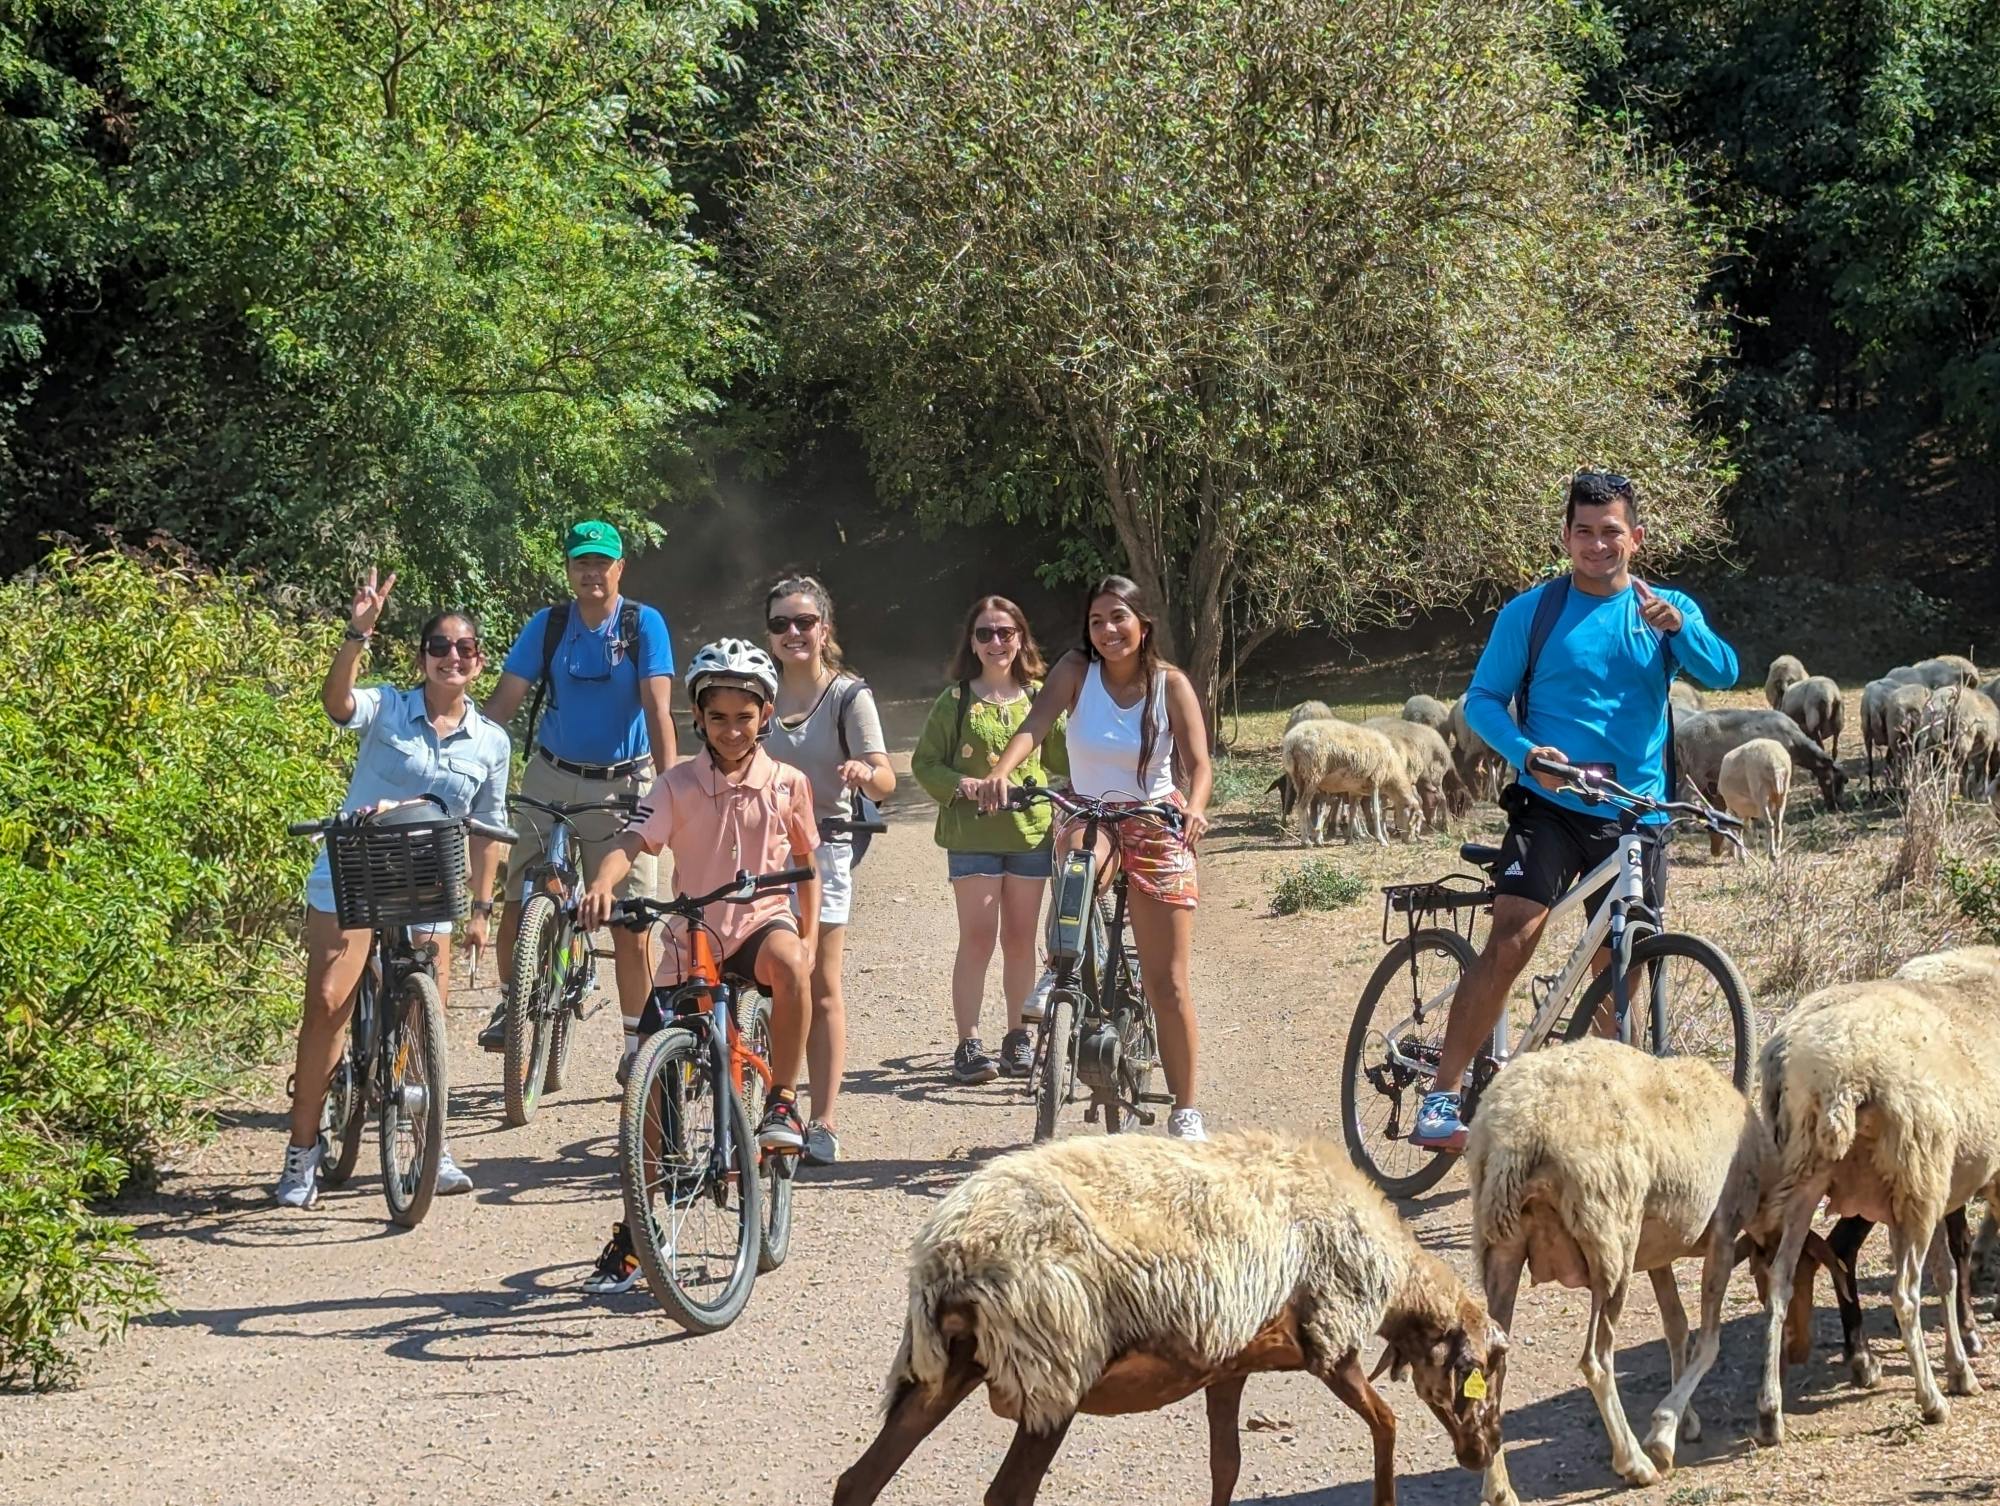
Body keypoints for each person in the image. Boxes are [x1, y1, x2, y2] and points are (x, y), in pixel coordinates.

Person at [1411, 471, 1741, 1151]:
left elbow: (1725, 672)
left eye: (1611, 532)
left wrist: (1680, 630)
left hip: (1636, 814)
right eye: (1584, 532)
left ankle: (1614, 1112)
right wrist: (1527, 753)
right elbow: (1481, 702)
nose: (1598, 545)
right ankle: (1440, 1097)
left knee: (1623, 963)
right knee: (1513, 938)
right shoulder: (1530, 613)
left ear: (1636, 537)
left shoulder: (1664, 608)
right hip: (1551, 803)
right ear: (1565, 536)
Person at [574, 638, 818, 1294]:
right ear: (698, 719)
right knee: (648, 1086)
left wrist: (811, 936)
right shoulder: (677, 782)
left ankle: (786, 1103)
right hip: (692, 935)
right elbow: (633, 841)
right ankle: (638, 1226)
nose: (732, 729)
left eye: (745, 716)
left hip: (760, 924)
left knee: (792, 966)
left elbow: (808, 862)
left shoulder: (787, 783)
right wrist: (604, 881)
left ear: (765, 716)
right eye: (718, 717)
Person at [276, 570, 512, 1207]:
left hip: (430, 879)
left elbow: (490, 831)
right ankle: (302, 1154)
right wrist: (359, 631)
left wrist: (483, 910)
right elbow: (337, 704)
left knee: (422, 1012)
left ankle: (432, 1144)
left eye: (464, 648)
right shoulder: (387, 705)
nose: (452, 657)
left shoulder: (492, 741)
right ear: (421, 658)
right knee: (329, 1002)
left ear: (479, 660)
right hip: (354, 867)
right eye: (440, 647)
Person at [974, 575, 1214, 1141]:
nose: (1107, 630)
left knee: (1168, 982)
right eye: (1097, 621)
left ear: (1143, 623)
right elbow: (1034, 725)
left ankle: (1186, 1109)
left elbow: (1200, 764)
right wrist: (1001, 773)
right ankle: (1063, 967)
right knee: (1081, 857)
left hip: (1157, 817)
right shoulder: (1075, 673)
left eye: (1118, 618)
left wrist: (1196, 810)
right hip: (1090, 809)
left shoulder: (1170, 685)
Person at [477, 521, 678, 1084]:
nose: (590, 572)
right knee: (519, 897)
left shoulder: (643, 625)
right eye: (579, 563)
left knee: (628, 919)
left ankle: (637, 1041)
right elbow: (504, 702)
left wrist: (672, 792)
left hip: (622, 783)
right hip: (549, 773)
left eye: (601, 562)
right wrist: (459, 759)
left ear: (619, 568)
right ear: (567, 569)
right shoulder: (549, 625)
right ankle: (513, 1001)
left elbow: (659, 712)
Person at [763, 575, 896, 1166]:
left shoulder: (848, 697)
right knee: (757, 977)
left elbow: (887, 779)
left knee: (819, 983)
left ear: (825, 630)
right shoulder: (754, 690)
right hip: (757, 848)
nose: (793, 633)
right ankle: (768, 1102)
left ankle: (823, 1118)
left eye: (804, 623)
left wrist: (866, 775)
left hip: (823, 851)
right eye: (781, 624)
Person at [910, 596, 1069, 1084]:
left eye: (1005, 632)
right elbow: (924, 764)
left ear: (1020, 637)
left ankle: (1017, 1037)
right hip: (971, 833)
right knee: (977, 938)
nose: (996, 642)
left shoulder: (1042, 698)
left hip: (1030, 834)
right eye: (985, 634)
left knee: (1020, 940)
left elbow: (1064, 761)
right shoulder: (954, 701)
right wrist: (964, 785)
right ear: (972, 643)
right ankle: (968, 1042)